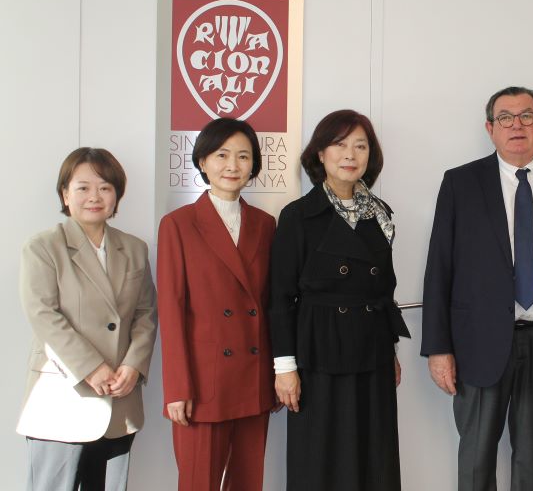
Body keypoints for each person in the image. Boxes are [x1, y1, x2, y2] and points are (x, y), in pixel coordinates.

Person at [421, 86, 533, 491]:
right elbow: (440, 269)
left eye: (526, 116)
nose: (516, 125)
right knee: (476, 457)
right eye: (505, 117)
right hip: (478, 342)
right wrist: (438, 348)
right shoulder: (461, 183)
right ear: (490, 128)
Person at [269, 109, 410, 490]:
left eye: (360, 146)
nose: (351, 154)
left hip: (373, 351)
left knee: (373, 456)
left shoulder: (380, 214)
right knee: (322, 459)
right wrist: (284, 368)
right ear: (320, 154)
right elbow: (280, 298)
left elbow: (383, 290)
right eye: (340, 144)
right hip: (319, 354)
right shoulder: (298, 216)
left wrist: (391, 350)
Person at [17, 148, 158, 491]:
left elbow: (146, 314)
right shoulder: (44, 247)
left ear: (117, 195)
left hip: (119, 399)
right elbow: (43, 315)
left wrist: (133, 366)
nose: (95, 196)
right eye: (83, 188)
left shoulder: (134, 248)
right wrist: (91, 367)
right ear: (65, 194)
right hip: (62, 397)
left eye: (105, 187)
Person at [157, 118, 276, 491]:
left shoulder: (266, 224)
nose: (233, 165)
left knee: (248, 482)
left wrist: (276, 375)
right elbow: (171, 310)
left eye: (243, 156)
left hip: (253, 377)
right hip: (202, 384)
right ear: (203, 161)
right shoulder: (178, 224)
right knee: (198, 483)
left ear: (253, 165)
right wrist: (177, 387)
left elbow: (272, 304)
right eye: (222, 155)